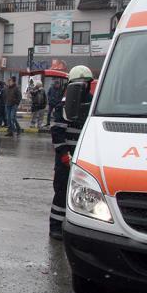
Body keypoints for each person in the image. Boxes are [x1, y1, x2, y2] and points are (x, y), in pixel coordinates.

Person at [49, 65, 94, 240]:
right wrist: (63, 154)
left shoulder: (92, 104)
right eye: (79, 84)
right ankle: (55, 227)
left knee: (85, 195)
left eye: (86, 83)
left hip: (85, 158)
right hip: (66, 158)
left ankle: (79, 227)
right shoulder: (63, 106)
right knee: (61, 193)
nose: (83, 87)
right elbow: (57, 132)